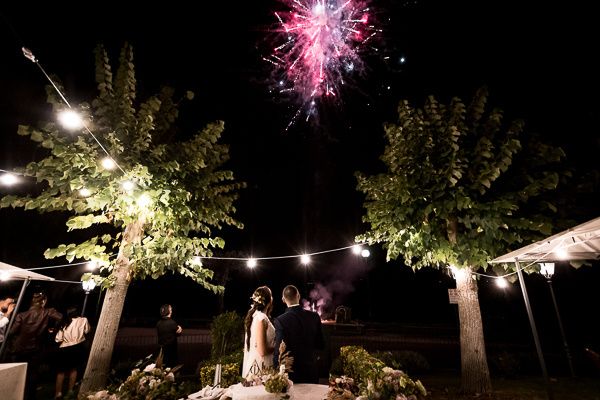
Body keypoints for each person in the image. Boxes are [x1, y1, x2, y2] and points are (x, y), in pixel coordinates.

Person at [10, 291, 62, 400]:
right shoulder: (48, 312)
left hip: (20, 348)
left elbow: (12, 332)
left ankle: (16, 395)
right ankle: (29, 396)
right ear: (43, 301)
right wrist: (53, 329)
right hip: (36, 348)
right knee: (33, 375)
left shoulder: (21, 315)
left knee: (18, 373)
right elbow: (61, 318)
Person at [273, 285, 324, 384]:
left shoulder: (280, 320)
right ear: (299, 296)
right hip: (311, 371)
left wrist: (275, 370)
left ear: (283, 299)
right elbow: (321, 345)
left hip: (292, 374)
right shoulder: (314, 316)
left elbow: (279, 351)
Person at [54, 307, 91, 399]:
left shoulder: (64, 321)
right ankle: (70, 391)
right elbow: (87, 331)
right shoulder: (83, 320)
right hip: (77, 347)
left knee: (61, 371)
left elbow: (58, 338)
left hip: (65, 348)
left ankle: (58, 393)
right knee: (73, 370)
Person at [242, 286, 275, 378]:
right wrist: (277, 347)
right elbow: (262, 351)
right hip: (261, 366)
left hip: (262, 363)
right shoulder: (261, 318)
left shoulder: (256, 316)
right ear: (269, 301)